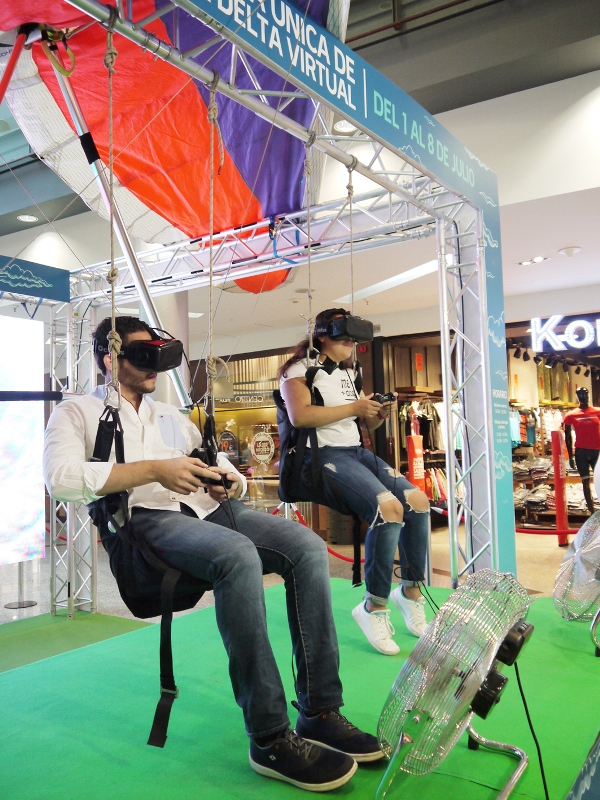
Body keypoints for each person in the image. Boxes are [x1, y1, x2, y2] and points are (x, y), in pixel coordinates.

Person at [43, 316, 383, 793]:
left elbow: (215, 460)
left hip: (206, 508)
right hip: (146, 519)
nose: (154, 366)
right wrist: (155, 470)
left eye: (158, 355)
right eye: (141, 355)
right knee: (237, 555)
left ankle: (320, 710)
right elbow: (59, 478)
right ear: (109, 359)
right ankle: (269, 736)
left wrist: (228, 480)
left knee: (306, 546)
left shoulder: (170, 414)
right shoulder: (77, 411)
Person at [278, 309, 430, 657]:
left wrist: (376, 413)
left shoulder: (350, 371)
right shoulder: (299, 370)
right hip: (322, 455)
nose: (350, 343)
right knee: (387, 509)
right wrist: (355, 408)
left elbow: (363, 423)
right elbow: (300, 416)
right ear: (322, 336)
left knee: (418, 502)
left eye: (353, 339)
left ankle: (409, 592)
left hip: (355, 450)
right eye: (343, 337)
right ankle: (373, 606)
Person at [564, 386, 600, 514]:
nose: (583, 397)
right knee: (585, 481)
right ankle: (592, 511)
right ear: (577, 397)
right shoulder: (571, 415)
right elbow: (567, 437)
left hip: (597, 451)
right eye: (580, 395)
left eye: (585, 394)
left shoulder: (597, 412)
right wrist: (570, 456)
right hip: (581, 452)